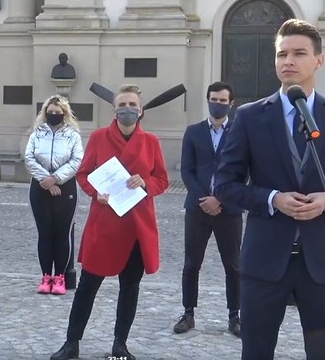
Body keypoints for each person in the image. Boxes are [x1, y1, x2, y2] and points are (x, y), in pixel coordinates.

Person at [214, 18, 325, 360]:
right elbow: (225, 185)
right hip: (264, 262)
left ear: (318, 60)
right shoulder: (249, 116)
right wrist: (272, 199)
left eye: (299, 53)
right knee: (256, 352)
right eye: (281, 54)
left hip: (320, 262)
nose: (288, 61)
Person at [50, 84, 169, 360]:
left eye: (132, 105)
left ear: (141, 110)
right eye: (122, 105)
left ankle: (120, 345)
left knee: (130, 288)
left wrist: (145, 183)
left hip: (137, 226)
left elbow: (162, 179)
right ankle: (71, 343)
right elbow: (83, 174)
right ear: (114, 110)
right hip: (105, 224)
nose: (127, 109)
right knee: (87, 288)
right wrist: (96, 193)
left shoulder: (151, 141)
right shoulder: (99, 137)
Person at [173, 81, 242, 337]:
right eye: (214, 99)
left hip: (229, 209)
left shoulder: (239, 132)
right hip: (197, 208)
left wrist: (220, 199)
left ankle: (235, 316)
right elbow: (187, 170)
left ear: (231, 103)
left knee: (233, 265)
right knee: (192, 263)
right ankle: (188, 313)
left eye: (223, 101)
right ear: (208, 100)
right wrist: (204, 198)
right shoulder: (193, 132)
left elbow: (243, 172)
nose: (218, 104)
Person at [24, 95, 84, 295]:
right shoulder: (37, 134)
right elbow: (29, 158)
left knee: (61, 233)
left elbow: (76, 160)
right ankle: (45, 276)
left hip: (65, 188)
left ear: (64, 114)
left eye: (57, 112)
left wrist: (56, 178)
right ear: (45, 113)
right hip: (40, 187)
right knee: (45, 233)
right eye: (50, 112)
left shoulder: (72, 135)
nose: (53, 115)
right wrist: (46, 180)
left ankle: (59, 277)